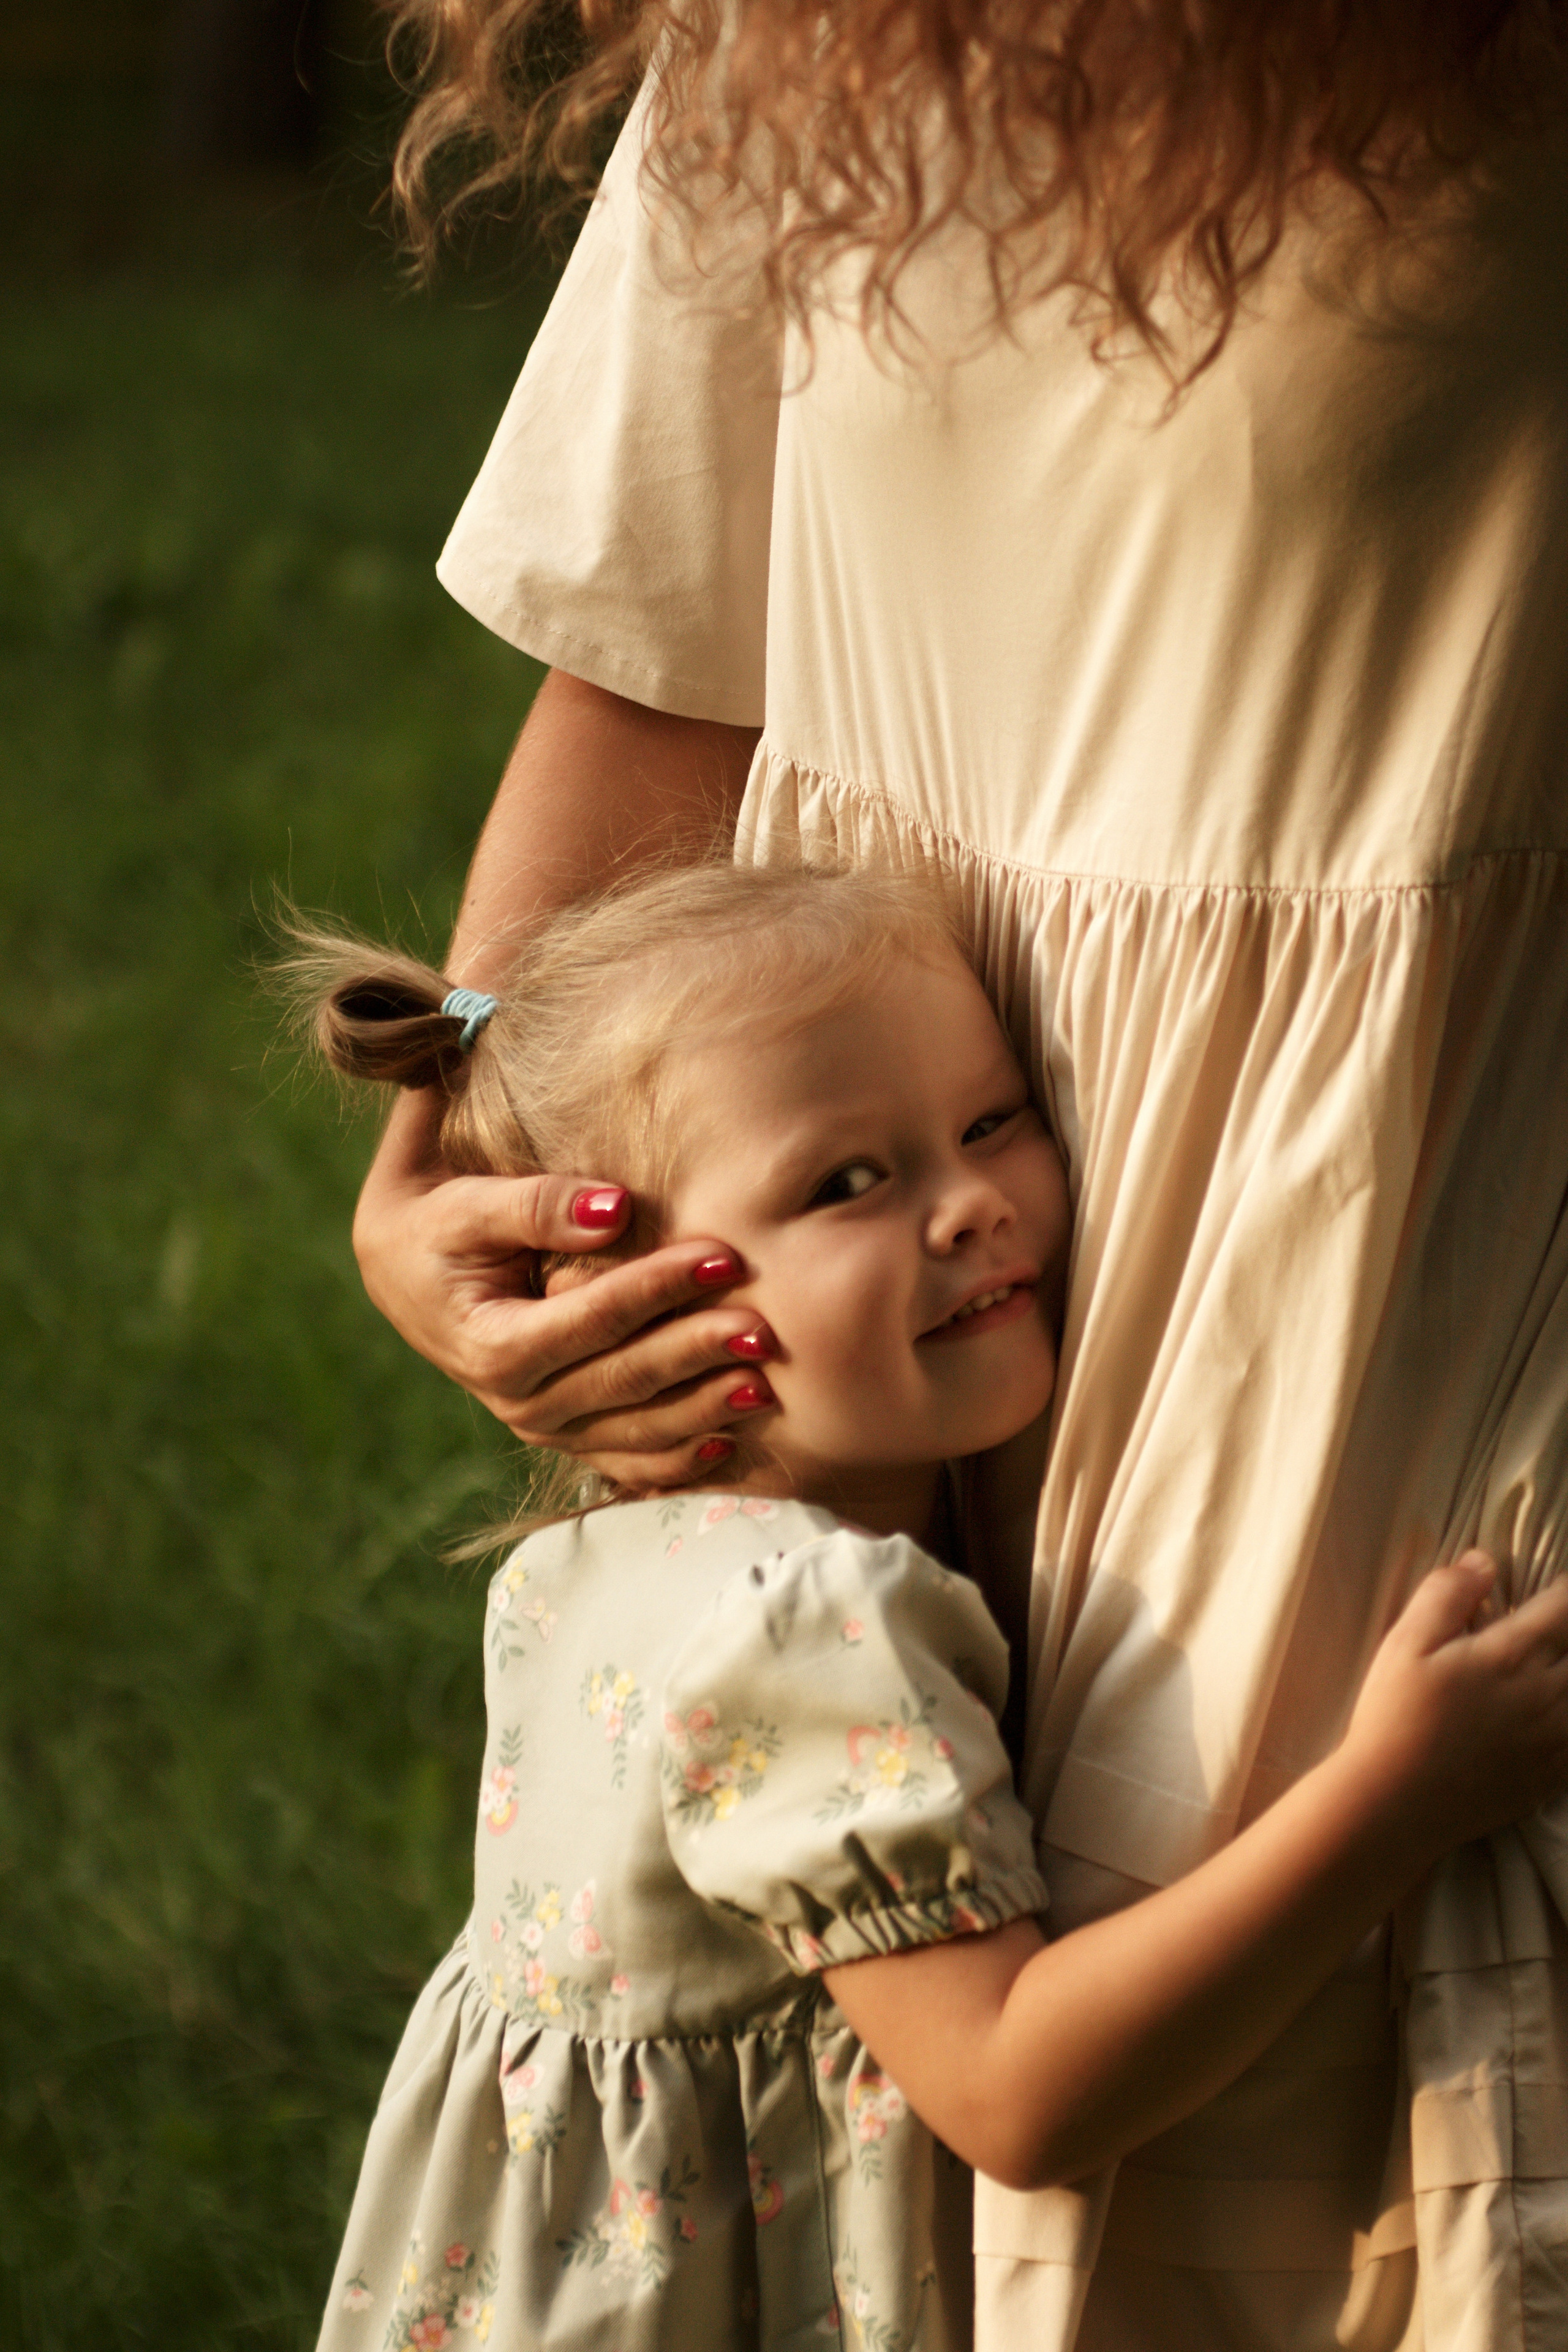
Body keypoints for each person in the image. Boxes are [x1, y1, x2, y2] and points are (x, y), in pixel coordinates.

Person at [353, 4, 1568, 2342]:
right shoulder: (805, 33)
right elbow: (661, 654)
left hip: (1373, 1312)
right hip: (852, 1315)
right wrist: (460, 1164)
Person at [304, 862, 1568, 2352]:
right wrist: (1397, 1795)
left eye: (989, 1123)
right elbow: (1018, 2092)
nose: (969, 1205)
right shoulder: (811, 1626)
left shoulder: (591, 1562)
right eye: (845, 1182)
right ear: (620, 1287)